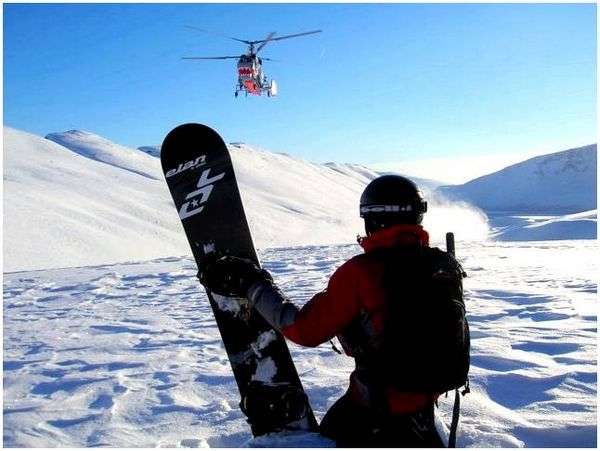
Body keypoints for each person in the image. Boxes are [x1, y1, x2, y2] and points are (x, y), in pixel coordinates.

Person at [200, 175, 468, 447]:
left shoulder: (361, 272)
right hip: (423, 413)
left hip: (375, 414)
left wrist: (253, 286)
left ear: (372, 219)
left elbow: (305, 329)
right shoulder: (443, 265)